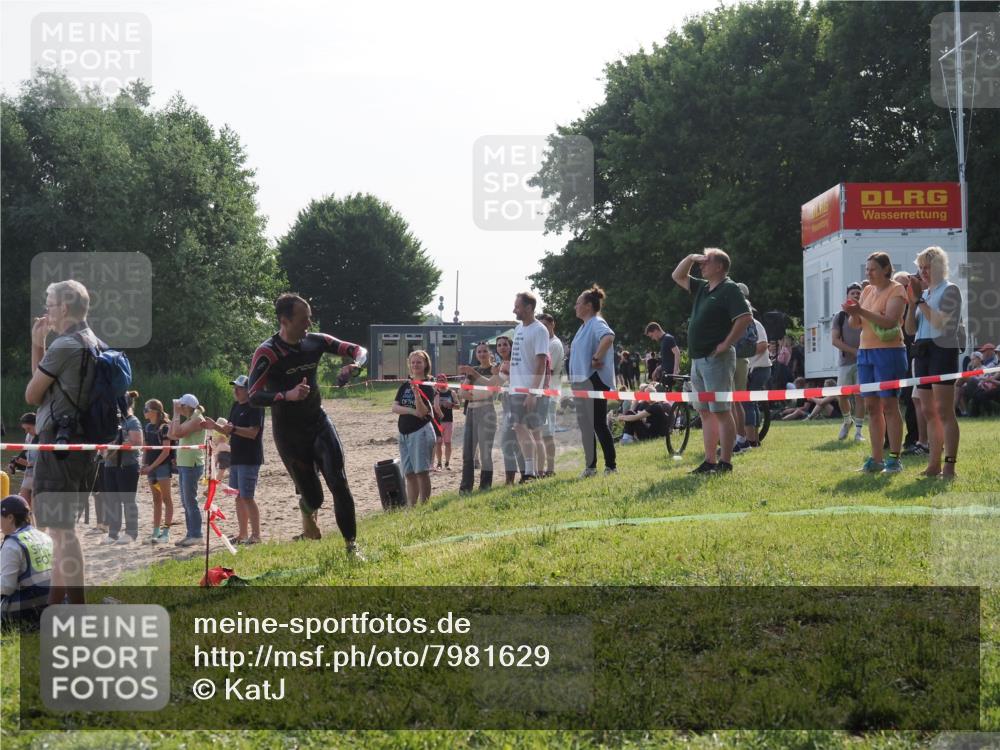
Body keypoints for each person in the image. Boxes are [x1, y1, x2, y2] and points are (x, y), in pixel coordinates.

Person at [248, 293, 367, 556]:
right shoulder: (267, 352)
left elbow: (358, 350)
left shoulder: (316, 341)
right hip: (290, 435)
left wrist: (355, 366)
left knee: (339, 482)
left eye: (309, 318)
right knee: (315, 498)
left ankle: (352, 547)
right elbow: (252, 395)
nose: (308, 325)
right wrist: (286, 395)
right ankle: (307, 509)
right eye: (303, 320)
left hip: (318, 422)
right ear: (284, 320)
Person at [24, 279, 102, 605]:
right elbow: (46, 390)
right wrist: (40, 344)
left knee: (62, 531)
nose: (47, 310)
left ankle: (77, 610)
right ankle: (55, 606)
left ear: (65, 308)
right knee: (61, 530)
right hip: (83, 447)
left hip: (59, 447)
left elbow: (32, 395)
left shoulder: (65, 346)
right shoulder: (95, 342)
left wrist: (37, 344)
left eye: (50, 305)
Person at [671, 248, 752, 474]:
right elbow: (677, 275)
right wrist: (690, 257)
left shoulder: (729, 288)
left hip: (717, 359)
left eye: (706, 262)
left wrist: (726, 343)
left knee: (722, 411)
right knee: (705, 412)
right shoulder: (703, 287)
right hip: (698, 359)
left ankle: (725, 462)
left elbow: (745, 318)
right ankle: (710, 461)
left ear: (719, 267)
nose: (701, 265)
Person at [843, 251, 908, 474]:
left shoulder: (896, 290)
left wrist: (860, 310)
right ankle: (876, 458)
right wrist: (853, 312)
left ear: (886, 269)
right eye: (867, 269)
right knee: (871, 406)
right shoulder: (868, 291)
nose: (868, 273)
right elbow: (855, 324)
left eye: (873, 269)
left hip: (889, 352)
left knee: (889, 405)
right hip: (865, 352)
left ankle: (894, 458)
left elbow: (890, 322)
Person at [903, 247, 964, 477]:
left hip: (942, 350)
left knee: (944, 411)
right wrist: (912, 303)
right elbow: (910, 330)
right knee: (929, 411)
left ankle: (949, 466)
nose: (923, 272)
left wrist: (919, 300)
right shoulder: (925, 295)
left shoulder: (950, 290)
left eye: (927, 267)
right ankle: (933, 464)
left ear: (939, 267)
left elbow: (939, 324)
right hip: (922, 351)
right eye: (920, 268)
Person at [205, 375, 265, 544]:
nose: (236, 390)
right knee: (238, 497)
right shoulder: (235, 405)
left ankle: (256, 535)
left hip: (250, 458)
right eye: (235, 387)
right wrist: (214, 426)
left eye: (239, 388)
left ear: (249, 390)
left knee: (247, 497)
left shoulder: (255, 406)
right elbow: (228, 431)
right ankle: (242, 534)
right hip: (236, 457)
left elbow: (253, 433)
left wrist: (233, 429)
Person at [568, 285, 617, 477]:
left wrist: (597, 357)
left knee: (598, 424)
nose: (575, 306)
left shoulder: (596, 322)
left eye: (578, 303)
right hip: (581, 382)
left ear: (588, 305)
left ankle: (611, 466)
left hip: (593, 381)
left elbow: (609, 337)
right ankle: (590, 467)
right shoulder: (584, 326)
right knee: (586, 426)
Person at [508, 292, 550, 482]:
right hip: (516, 388)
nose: (514, 310)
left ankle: (530, 473)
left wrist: (533, 392)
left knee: (522, 428)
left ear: (529, 307)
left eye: (517, 306)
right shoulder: (518, 329)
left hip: (528, 389)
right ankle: (534, 472)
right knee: (525, 430)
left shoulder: (539, 330)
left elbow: (541, 363)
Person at [392, 350, 440, 505]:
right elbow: (395, 407)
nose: (415, 365)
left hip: (421, 432)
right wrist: (411, 411)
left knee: (421, 472)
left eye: (419, 362)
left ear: (426, 364)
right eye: (413, 362)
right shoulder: (405, 385)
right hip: (404, 434)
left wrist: (417, 396)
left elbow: (423, 412)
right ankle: (412, 507)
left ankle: (423, 505)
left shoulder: (428, 385)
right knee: (409, 473)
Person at [1, 495, 53, 627]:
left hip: (31, 607)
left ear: (10, 517)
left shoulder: (12, 544)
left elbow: (7, 587)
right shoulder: (44, 536)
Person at [99, 391, 142, 545]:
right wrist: (105, 449)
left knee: (128, 500)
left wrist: (117, 446)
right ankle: (113, 533)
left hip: (127, 466)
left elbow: (137, 442)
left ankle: (131, 533)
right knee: (112, 501)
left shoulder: (133, 421)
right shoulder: (112, 422)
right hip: (110, 465)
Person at [457, 342, 499, 492]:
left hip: (486, 411)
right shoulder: (473, 370)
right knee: (467, 453)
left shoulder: (494, 369)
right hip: (471, 412)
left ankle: (485, 486)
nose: (482, 354)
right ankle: (465, 487)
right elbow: (462, 392)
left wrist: (472, 393)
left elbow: (490, 390)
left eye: (484, 351)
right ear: (476, 354)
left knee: (485, 452)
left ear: (490, 353)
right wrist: (472, 394)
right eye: (479, 352)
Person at [168, 394, 208, 546]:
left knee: (190, 501)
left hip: (192, 463)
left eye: (182, 405)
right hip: (185, 463)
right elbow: (171, 434)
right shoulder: (190, 418)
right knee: (186, 502)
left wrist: (176, 413)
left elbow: (177, 433)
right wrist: (175, 415)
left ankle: (196, 534)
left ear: (188, 406)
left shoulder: (197, 418)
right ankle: (191, 533)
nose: (180, 408)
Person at [832, 283, 866, 442]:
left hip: (863, 362)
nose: (856, 295)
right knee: (842, 395)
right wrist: (854, 351)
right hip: (845, 362)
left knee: (860, 396)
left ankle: (859, 432)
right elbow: (834, 340)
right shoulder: (839, 316)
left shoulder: (865, 313)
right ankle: (847, 421)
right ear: (847, 296)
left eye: (859, 293)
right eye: (853, 293)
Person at [140, 399, 174, 544]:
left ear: (154, 411)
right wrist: (144, 464)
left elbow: (166, 452)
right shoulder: (147, 427)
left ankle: (166, 533)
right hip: (151, 468)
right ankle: (155, 532)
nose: (144, 411)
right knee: (156, 499)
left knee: (166, 499)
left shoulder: (164, 427)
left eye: (146, 409)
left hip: (162, 467)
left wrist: (151, 467)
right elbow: (146, 448)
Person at [493, 335, 526, 485]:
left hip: (515, 404)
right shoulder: (504, 363)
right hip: (508, 404)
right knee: (515, 442)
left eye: (505, 344)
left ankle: (512, 478)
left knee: (507, 442)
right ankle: (523, 475)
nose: (502, 347)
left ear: (511, 346)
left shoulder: (509, 363)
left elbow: (497, 382)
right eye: (499, 345)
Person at [537, 313, 564, 476]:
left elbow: (548, 370)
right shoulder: (544, 343)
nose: (543, 329)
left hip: (549, 394)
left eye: (546, 326)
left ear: (552, 324)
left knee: (547, 434)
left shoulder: (554, 344)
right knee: (539, 433)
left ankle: (551, 469)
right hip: (541, 393)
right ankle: (542, 468)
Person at [743, 315, 771, 448]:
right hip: (756, 368)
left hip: (758, 368)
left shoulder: (755, 324)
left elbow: (763, 345)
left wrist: (743, 353)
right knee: (751, 403)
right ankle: (754, 438)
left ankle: (751, 440)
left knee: (747, 402)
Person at [7, 414, 37, 508]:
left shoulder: (45, 437)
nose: (26, 432)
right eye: (24, 429)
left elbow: (49, 461)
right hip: (28, 474)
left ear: (37, 425)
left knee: (35, 508)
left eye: (28, 428)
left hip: (40, 475)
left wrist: (29, 464)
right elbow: (25, 452)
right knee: (23, 506)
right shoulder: (29, 436)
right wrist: (13, 463)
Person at [644, 322, 681, 387]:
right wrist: (657, 369)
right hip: (664, 373)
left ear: (655, 331)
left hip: (670, 374)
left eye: (651, 336)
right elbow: (667, 359)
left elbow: (677, 353)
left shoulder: (668, 338)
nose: (652, 338)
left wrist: (675, 372)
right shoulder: (662, 341)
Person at [433, 375, 456, 471]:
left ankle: (447, 463)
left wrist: (452, 405)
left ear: (446, 381)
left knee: (448, 443)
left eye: (443, 380)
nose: (441, 382)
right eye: (439, 380)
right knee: (438, 443)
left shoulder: (451, 392)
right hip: (438, 421)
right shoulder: (435, 392)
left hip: (448, 421)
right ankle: (439, 463)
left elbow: (458, 405)